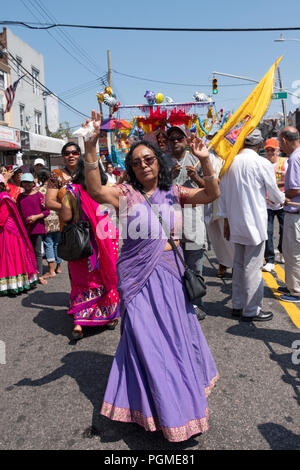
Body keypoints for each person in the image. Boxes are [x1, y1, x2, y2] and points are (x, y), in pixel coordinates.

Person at [83, 110, 219, 443]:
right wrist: (90, 148)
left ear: (158, 161)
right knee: (146, 342)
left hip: (171, 280)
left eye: (148, 159)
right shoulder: (125, 195)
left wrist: (205, 162)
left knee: (172, 343)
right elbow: (97, 190)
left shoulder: (175, 194)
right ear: (131, 168)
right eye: (137, 162)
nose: (143, 165)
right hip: (136, 282)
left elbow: (211, 194)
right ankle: (157, 408)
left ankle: (176, 406)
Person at [218, 128, 286, 322]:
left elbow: (222, 195)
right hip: (254, 222)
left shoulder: (230, 163)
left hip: (235, 221)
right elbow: (273, 192)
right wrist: (281, 199)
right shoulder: (261, 162)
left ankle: (238, 305)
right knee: (252, 267)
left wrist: (225, 219)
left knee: (238, 265)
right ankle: (252, 309)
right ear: (258, 144)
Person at [60, 157, 120, 340]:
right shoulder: (106, 191)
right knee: (104, 277)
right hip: (105, 243)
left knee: (81, 281)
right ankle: (108, 318)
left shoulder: (71, 191)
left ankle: (79, 323)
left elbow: (67, 217)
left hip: (81, 245)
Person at [166, 124, 208, 321]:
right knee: (172, 268)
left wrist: (196, 177)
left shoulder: (196, 159)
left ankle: (195, 306)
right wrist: (169, 177)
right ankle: (176, 306)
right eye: (171, 138)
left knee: (194, 266)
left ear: (185, 140)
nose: (175, 141)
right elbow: (153, 190)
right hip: (170, 224)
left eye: (179, 138)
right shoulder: (161, 161)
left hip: (192, 223)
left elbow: (210, 189)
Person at [0, 175, 38, 296]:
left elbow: (2, 218)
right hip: (7, 231)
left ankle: (13, 285)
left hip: (8, 233)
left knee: (9, 257)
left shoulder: (3, 197)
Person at [278, 127, 300, 303]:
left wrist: (282, 197)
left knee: (293, 253)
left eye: (280, 143)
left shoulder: (294, 158)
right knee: (291, 251)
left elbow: (294, 188)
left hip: (295, 211)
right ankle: (292, 283)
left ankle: (296, 291)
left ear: (285, 140)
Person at [17, 173, 50, 285]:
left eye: (29, 182)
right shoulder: (20, 197)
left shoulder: (39, 195)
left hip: (37, 229)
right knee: (26, 252)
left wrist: (36, 217)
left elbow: (46, 211)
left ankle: (39, 275)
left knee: (37, 253)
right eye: (24, 182)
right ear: (22, 183)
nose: (27, 184)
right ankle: (30, 274)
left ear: (33, 183)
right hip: (24, 230)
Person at [262, 138, 288, 272]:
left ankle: (283, 251)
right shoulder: (263, 164)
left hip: (283, 203)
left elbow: (291, 180)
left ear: (278, 150)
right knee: (268, 231)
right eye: (268, 150)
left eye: (273, 149)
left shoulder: (285, 162)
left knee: (284, 230)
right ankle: (270, 259)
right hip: (267, 204)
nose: (270, 152)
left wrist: (283, 177)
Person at [45, 142, 81, 226]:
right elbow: (49, 202)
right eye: (67, 154)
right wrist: (69, 209)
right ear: (63, 157)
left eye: (74, 153)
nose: (71, 155)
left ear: (79, 155)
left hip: (89, 221)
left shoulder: (86, 173)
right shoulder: (56, 174)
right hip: (68, 226)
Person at [37, 169, 62, 278]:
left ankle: (51, 270)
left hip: (46, 221)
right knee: (57, 244)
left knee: (48, 244)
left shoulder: (38, 190)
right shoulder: (56, 188)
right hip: (58, 219)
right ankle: (59, 267)